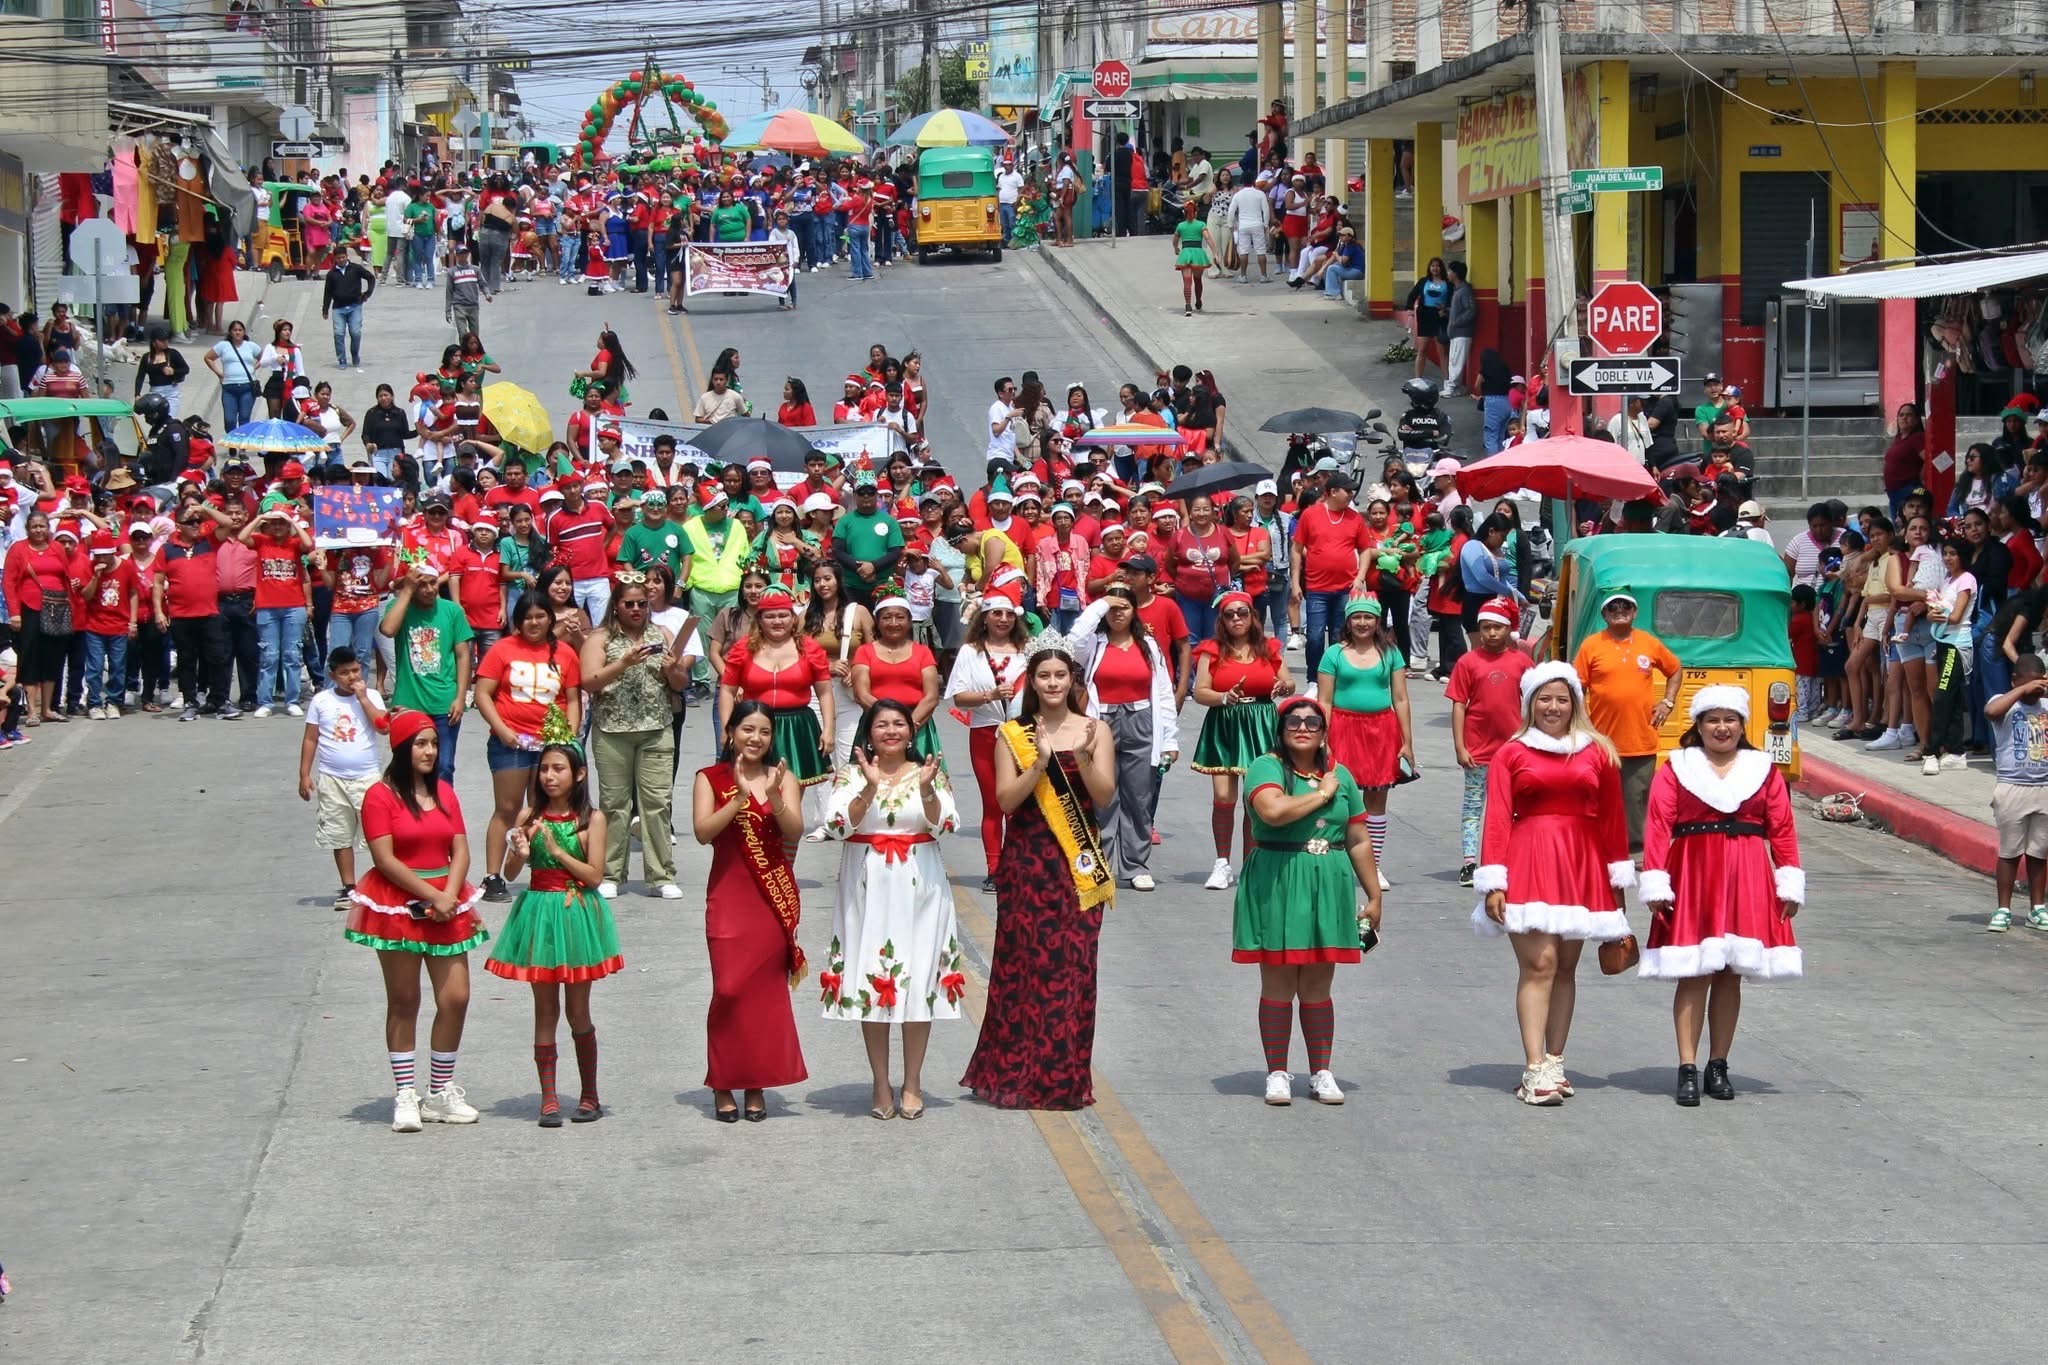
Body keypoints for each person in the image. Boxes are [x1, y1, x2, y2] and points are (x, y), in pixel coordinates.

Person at [960, 638, 1118, 1110]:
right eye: (1044, 676)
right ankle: (1015, 1074)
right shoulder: (1013, 734)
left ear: (1072, 680)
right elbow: (1006, 800)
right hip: (1027, 864)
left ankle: (1063, 1079)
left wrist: (1083, 757)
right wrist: (1040, 763)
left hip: (1077, 865)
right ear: (1031, 681)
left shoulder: (1095, 730)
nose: (1052, 683)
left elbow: (1105, 796)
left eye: (1060, 676)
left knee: (1073, 970)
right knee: (1023, 969)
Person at [1472, 662, 1635, 1106]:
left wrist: (1616, 881)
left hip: (1582, 865)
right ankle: (1533, 1068)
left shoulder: (1598, 751)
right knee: (1539, 964)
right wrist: (1494, 880)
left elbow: (1613, 820)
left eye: (1562, 699)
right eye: (1544, 698)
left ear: (1575, 703)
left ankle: (1555, 1061)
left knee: (1565, 966)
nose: (1553, 707)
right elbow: (1497, 817)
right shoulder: (1512, 753)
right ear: (1530, 703)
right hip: (1528, 860)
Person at [1637, 687, 1806, 1106]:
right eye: (1712, 719)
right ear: (1698, 725)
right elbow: (1658, 824)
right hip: (1694, 872)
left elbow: (1782, 827)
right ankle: (1687, 1067)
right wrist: (1656, 880)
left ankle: (1718, 1065)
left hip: (1747, 872)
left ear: (1742, 725)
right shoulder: (1677, 767)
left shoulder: (1762, 769)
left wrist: (1788, 881)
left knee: (1731, 972)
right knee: (1694, 970)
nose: (1722, 727)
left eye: (1730, 719)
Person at [1234, 696, 1381, 1105]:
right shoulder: (1266, 767)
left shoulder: (1341, 775)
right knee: (1279, 980)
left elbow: (1358, 838)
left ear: (1323, 731)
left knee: (1318, 983)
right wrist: (1322, 794)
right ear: (1281, 730)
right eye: (1294, 721)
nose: (1303, 728)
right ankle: (1277, 1073)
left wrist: (1373, 894)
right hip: (1278, 879)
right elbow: (1273, 811)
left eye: (1312, 722)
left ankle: (1321, 1072)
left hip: (1328, 883)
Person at [821, 700, 963, 1120]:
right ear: (868, 732)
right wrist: (868, 788)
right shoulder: (850, 775)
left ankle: (913, 1081)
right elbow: (837, 826)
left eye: (899, 723)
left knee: (918, 980)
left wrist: (927, 790)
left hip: (921, 886)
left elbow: (946, 824)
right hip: (867, 886)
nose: (890, 731)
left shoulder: (929, 772)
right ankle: (880, 1082)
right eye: (881, 724)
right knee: (873, 978)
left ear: (911, 731)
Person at [346, 709, 487, 1132]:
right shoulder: (380, 796)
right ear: (402, 747)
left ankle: (439, 1092)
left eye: (434, 744)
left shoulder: (444, 791)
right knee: (404, 1000)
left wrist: (449, 896)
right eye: (421, 744)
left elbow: (460, 849)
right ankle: (406, 1094)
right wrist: (432, 896)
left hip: (447, 902)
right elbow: (384, 859)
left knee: (456, 997)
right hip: (399, 904)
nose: (429, 751)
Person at [485, 735, 620, 1126]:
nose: (548, 776)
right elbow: (512, 873)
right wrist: (520, 852)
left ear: (579, 774)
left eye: (558, 768)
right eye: (544, 768)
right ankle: (548, 1099)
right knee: (544, 1010)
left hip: (576, 913)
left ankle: (589, 1095)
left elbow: (594, 876)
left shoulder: (591, 820)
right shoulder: (530, 816)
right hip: (540, 913)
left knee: (578, 1010)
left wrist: (558, 851)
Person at [693, 700, 809, 1121]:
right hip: (728, 897)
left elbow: (794, 830)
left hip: (770, 900)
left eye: (763, 731)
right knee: (728, 990)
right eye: (747, 729)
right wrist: (739, 798)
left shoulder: (784, 777)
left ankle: (755, 1083)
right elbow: (702, 832)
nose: (755, 738)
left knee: (762, 996)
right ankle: (723, 1081)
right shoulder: (710, 778)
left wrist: (775, 797)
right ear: (730, 733)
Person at [580, 573, 695, 898]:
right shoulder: (600, 638)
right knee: (614, 804)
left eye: (641, 604)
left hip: (656, 728)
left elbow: (680, 683)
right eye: (628, 604)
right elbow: (588, 681)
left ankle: (661, 875)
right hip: (612, 730)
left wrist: (674, 670)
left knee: (657, 803)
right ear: (616, 606)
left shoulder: (662, 633)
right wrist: (623, 663)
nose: (635, 609)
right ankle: (611, 874)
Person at [472, 592, 581, 901]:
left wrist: (569, 736)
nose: (534, 623)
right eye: (527, 617)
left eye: (540, 616)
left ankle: (542, 872)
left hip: (551, 744)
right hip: (511, 742)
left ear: (550, 618)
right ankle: (492, 876)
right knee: (507, 808)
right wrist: (502, 729)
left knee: (540, 810)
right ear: (518, 621)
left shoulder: (565, 653)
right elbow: (482, 693)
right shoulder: (502, 649)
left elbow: (573, 699)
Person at [1073, 588, 1180, 892]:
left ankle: (1136, 865)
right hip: (1102, 722)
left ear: (1135, 611)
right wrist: (1101, 604)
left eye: (1124, 607)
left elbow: (1163, 693)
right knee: (1102, 796)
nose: (1117, 613)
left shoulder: (1148, 645)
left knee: (1139, 797)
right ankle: (1101, 864)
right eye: (1112, 608)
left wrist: (1169, 741)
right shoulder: (1094, 643)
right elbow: (1074, 640)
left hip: (1141, 721)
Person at [1191, 590, 1293, 889]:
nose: (1236, 618)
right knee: (1224, 797)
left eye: (1242, 612)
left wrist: (1283, 687)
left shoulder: (1268, 647)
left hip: (1262, 722)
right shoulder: (1212, 649)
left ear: (1252, 616)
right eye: (1229, 614)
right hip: (1225, 722)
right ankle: (1222, 862)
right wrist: (1224, 697)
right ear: (1221, 619)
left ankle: (1252, 863)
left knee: (1255, 798)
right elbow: (1200, 692)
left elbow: (1289, 681)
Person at [1573, 589, 1681, 849]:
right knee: (1601, 797)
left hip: (1641, 739)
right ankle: (1602, 848)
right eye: (1613, 607)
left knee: (1637, 800)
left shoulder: (1648, 642)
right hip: (1602, 741)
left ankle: (1638, 851)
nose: (1619, 611)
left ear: (1634, 612)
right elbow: (1577, 687)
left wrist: (1667, 702)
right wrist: (1583, 723)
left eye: (1626, 606)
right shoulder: (1591, 645)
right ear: (1604, 614)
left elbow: (1675, 669)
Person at [1316, 597, 1412, 888]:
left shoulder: (1391, 653)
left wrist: (1407, 742)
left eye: (1368, 617)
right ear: (1348, 621)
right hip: (1342, 730)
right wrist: (1323, 739)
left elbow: (1401, 698)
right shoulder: (1333, 654)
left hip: (1381, 731)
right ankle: (1338, 862)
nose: (1362, 623)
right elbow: (1324, 701)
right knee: (1339, 797)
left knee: (1376, 801)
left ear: (1377, 621)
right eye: (1356, 617)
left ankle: (1374, 865)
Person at [1446, 597, 1533, 887]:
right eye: (1486, 627)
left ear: (1508, 629)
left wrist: (1532, 741)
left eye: (1498, 627)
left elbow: (1534, 702)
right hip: (1477, 750)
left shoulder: (1522, 662)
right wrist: (1460, 746)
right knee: (1473, 806)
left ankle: (1506, 858)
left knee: (1513, 807)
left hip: (1514, 750)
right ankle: (1470, 863)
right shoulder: (1468, 662)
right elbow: (1459, 704)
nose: (1492, 633)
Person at [945, 587, 1027, 890]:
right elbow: (958, 697)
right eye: (996, 614)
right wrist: (989, 695)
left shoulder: (1027, 650)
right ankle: (995, 868)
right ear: (985, 617)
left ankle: (1019, 867)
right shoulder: (971, 652)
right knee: (993, 803)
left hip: (1022, 735)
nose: (1003, 619)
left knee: (1019, 804)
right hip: (985, 733)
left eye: (1008, 614)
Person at [299, 646, 387, 913]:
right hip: (332, 779)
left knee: (378, 834)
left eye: (356, 670)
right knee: (340, 834)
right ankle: (349, 887)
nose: (352, 677)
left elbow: (383, 727)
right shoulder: (322, 701)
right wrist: (304, 774)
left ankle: (385, 883)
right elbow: (311, 738)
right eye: (345, 673)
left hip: (367, 778)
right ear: (333, 675)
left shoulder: (372, 696)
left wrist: (363, 699)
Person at [720, 587, 834, 786]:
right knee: (754, 788)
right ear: (760, 620)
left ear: (793, 618)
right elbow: (727, 691)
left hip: (795, 727)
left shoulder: (809, 648)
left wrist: (828, 729)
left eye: (783, 615)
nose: (777, 621)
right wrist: (726, 728)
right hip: (754, 724)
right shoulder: (743, 648)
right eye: (770, 616)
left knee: (791, 792)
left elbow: (824, 692)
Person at [378, 561, 474, 783]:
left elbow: (463, 656)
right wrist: (407, 590)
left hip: (444, 703)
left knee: (443, 766)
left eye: (433, 583)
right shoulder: (399, 608)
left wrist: (461, 697)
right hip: (409, 703)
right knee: (406, 765)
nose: (430, 589)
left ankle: (441, 804)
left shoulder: (451, 611)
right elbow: (388, 629)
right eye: (422, 585)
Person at [1985, 654, 2048, 932]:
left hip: (2043, 787)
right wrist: (2022, 691)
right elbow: (1991, 712)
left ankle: (2037, 908)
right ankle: (2003, 908)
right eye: (2029, 683)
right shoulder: (2005, 703)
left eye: (2039, 683)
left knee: (2039, 852)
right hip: (2012, 786)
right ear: (2014, 680)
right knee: (2010, 851)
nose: (2035, 689)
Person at [850, 586, 941, 759]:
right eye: (887, 617)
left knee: (920, 774)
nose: (893, 623)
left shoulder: (923, 652)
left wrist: (908, 726)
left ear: (909, 621)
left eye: (900, 617)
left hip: (918, 725)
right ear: (877, 621)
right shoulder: (865, 651)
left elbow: (931, 697)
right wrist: (888, 722)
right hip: (877, 726)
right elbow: (861, 695)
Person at [4, 510, 75, 725]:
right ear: (27, 529)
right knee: (30, 657)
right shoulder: (18, 549)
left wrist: (70, 606)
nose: (38, 530)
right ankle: (32, 711)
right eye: (34, 526)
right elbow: (8, 582)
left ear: (48, 528)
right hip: (29, 609)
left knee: (53, 657)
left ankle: (47, 709)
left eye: (42, 526)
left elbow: (66, 576)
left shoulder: (57, 548)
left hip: (56, 608)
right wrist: (14, 613)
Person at [321, 249, 377, 370]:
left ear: (347, 256)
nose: (341, 260)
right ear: (335, 259)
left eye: (343, 257)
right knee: (338, 333)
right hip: (338, 308)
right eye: (338, 258)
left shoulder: (355, 269)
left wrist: (368, 293)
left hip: (354, 306)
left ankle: (355, 354)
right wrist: (325, 309)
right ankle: (341, 358)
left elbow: (371, 278)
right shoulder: (331, 274)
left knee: (355, 332)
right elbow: (327, 292)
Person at [1226, 174, 1273, 283]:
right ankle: (1264, 276)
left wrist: (1230, 225)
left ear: (1242, 182)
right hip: (1257, 224)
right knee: (1261, 251)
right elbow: (1266, 210)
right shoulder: (1260, 194)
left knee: (1244, 251)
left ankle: (1243, 276)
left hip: (1243, 225)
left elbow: (1231, 211)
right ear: (1254, 181)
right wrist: (1266, 224)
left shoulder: (1238, 195)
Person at [1171, 198, 1210, 316]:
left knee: (1187, 281)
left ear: (1184, 212)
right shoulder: (1201, 225)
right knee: (1198, 280)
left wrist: (1176, 248)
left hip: (1185, 254)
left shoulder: (1180, 226)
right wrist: (1215, 252)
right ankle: (1198, 301)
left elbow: (1175, 240)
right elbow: (1207, 238)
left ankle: (1188, 305)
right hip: (1198, 254)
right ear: (1196, 212)